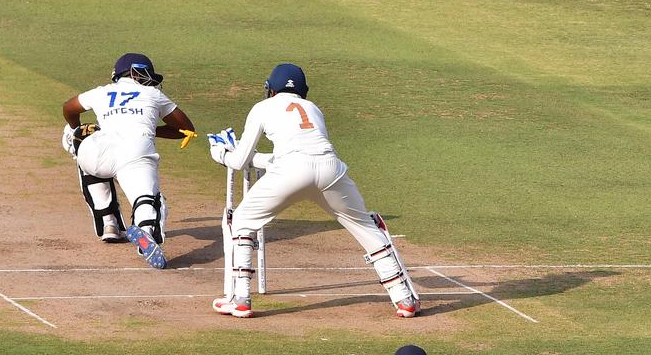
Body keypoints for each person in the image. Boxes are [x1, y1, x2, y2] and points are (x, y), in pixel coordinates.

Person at [207, 63, 420, 318]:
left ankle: (240, 299)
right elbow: (303, 155)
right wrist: (255, 158)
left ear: (271, 89)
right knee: (367, 227)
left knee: (240, 221)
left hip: (290, 171)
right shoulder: (314, 109)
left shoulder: (262, 108)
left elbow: (241, 162)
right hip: (331, 169)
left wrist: (222, 154)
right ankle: (404, 299)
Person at [61, 53, 196, 269]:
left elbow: (68, 107)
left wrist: (74, 128)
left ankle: (108, 224)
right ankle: (146, 232)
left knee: (83, 139)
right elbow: (186, 129)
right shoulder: (153, 94)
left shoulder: (101, 92)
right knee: (147, 200)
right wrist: (150, 128)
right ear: (136, 72)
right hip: (136, 152)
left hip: (97, 152)